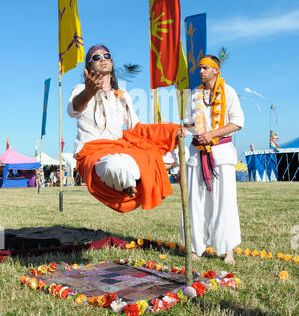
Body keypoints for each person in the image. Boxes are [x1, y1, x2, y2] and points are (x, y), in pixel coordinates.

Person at [67, 44, 183, 213]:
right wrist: (88, 93)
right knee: (114, 165)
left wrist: (172, 130)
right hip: (92, 151)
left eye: (106, 55)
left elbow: (136, 127)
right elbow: (73, 110)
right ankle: (129, 179)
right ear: (89, 66)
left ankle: (131, 179)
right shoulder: (81, 90)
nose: (102, 59)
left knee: (166, 155)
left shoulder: (122, 95)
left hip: (119, 148)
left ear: (112, 61)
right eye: (96, 57)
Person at [182, 55, 244, 264]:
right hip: (197, 153)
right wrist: (187, 130)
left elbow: (237, 122)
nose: (201, 71)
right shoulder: (194, 95)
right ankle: (195, 247)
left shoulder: (229, 92)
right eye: (200, 68)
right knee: (195, 201)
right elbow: (189, 123)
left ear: (216, 71)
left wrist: (212, 134)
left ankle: (228, 249)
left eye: (206, 68)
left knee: (224, 201)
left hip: (221, 153)